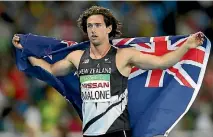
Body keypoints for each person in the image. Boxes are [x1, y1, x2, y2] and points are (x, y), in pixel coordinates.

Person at [12, 6, 204, 137]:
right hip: (89, 132)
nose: (93, 30)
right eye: (89, 26)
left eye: (98, 25)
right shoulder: (77, 57)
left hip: (117, 132)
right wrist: (27, 50)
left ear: (108, 28)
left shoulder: (124, 56)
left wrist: (187, 45)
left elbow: (163, 62)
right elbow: (51, 70)